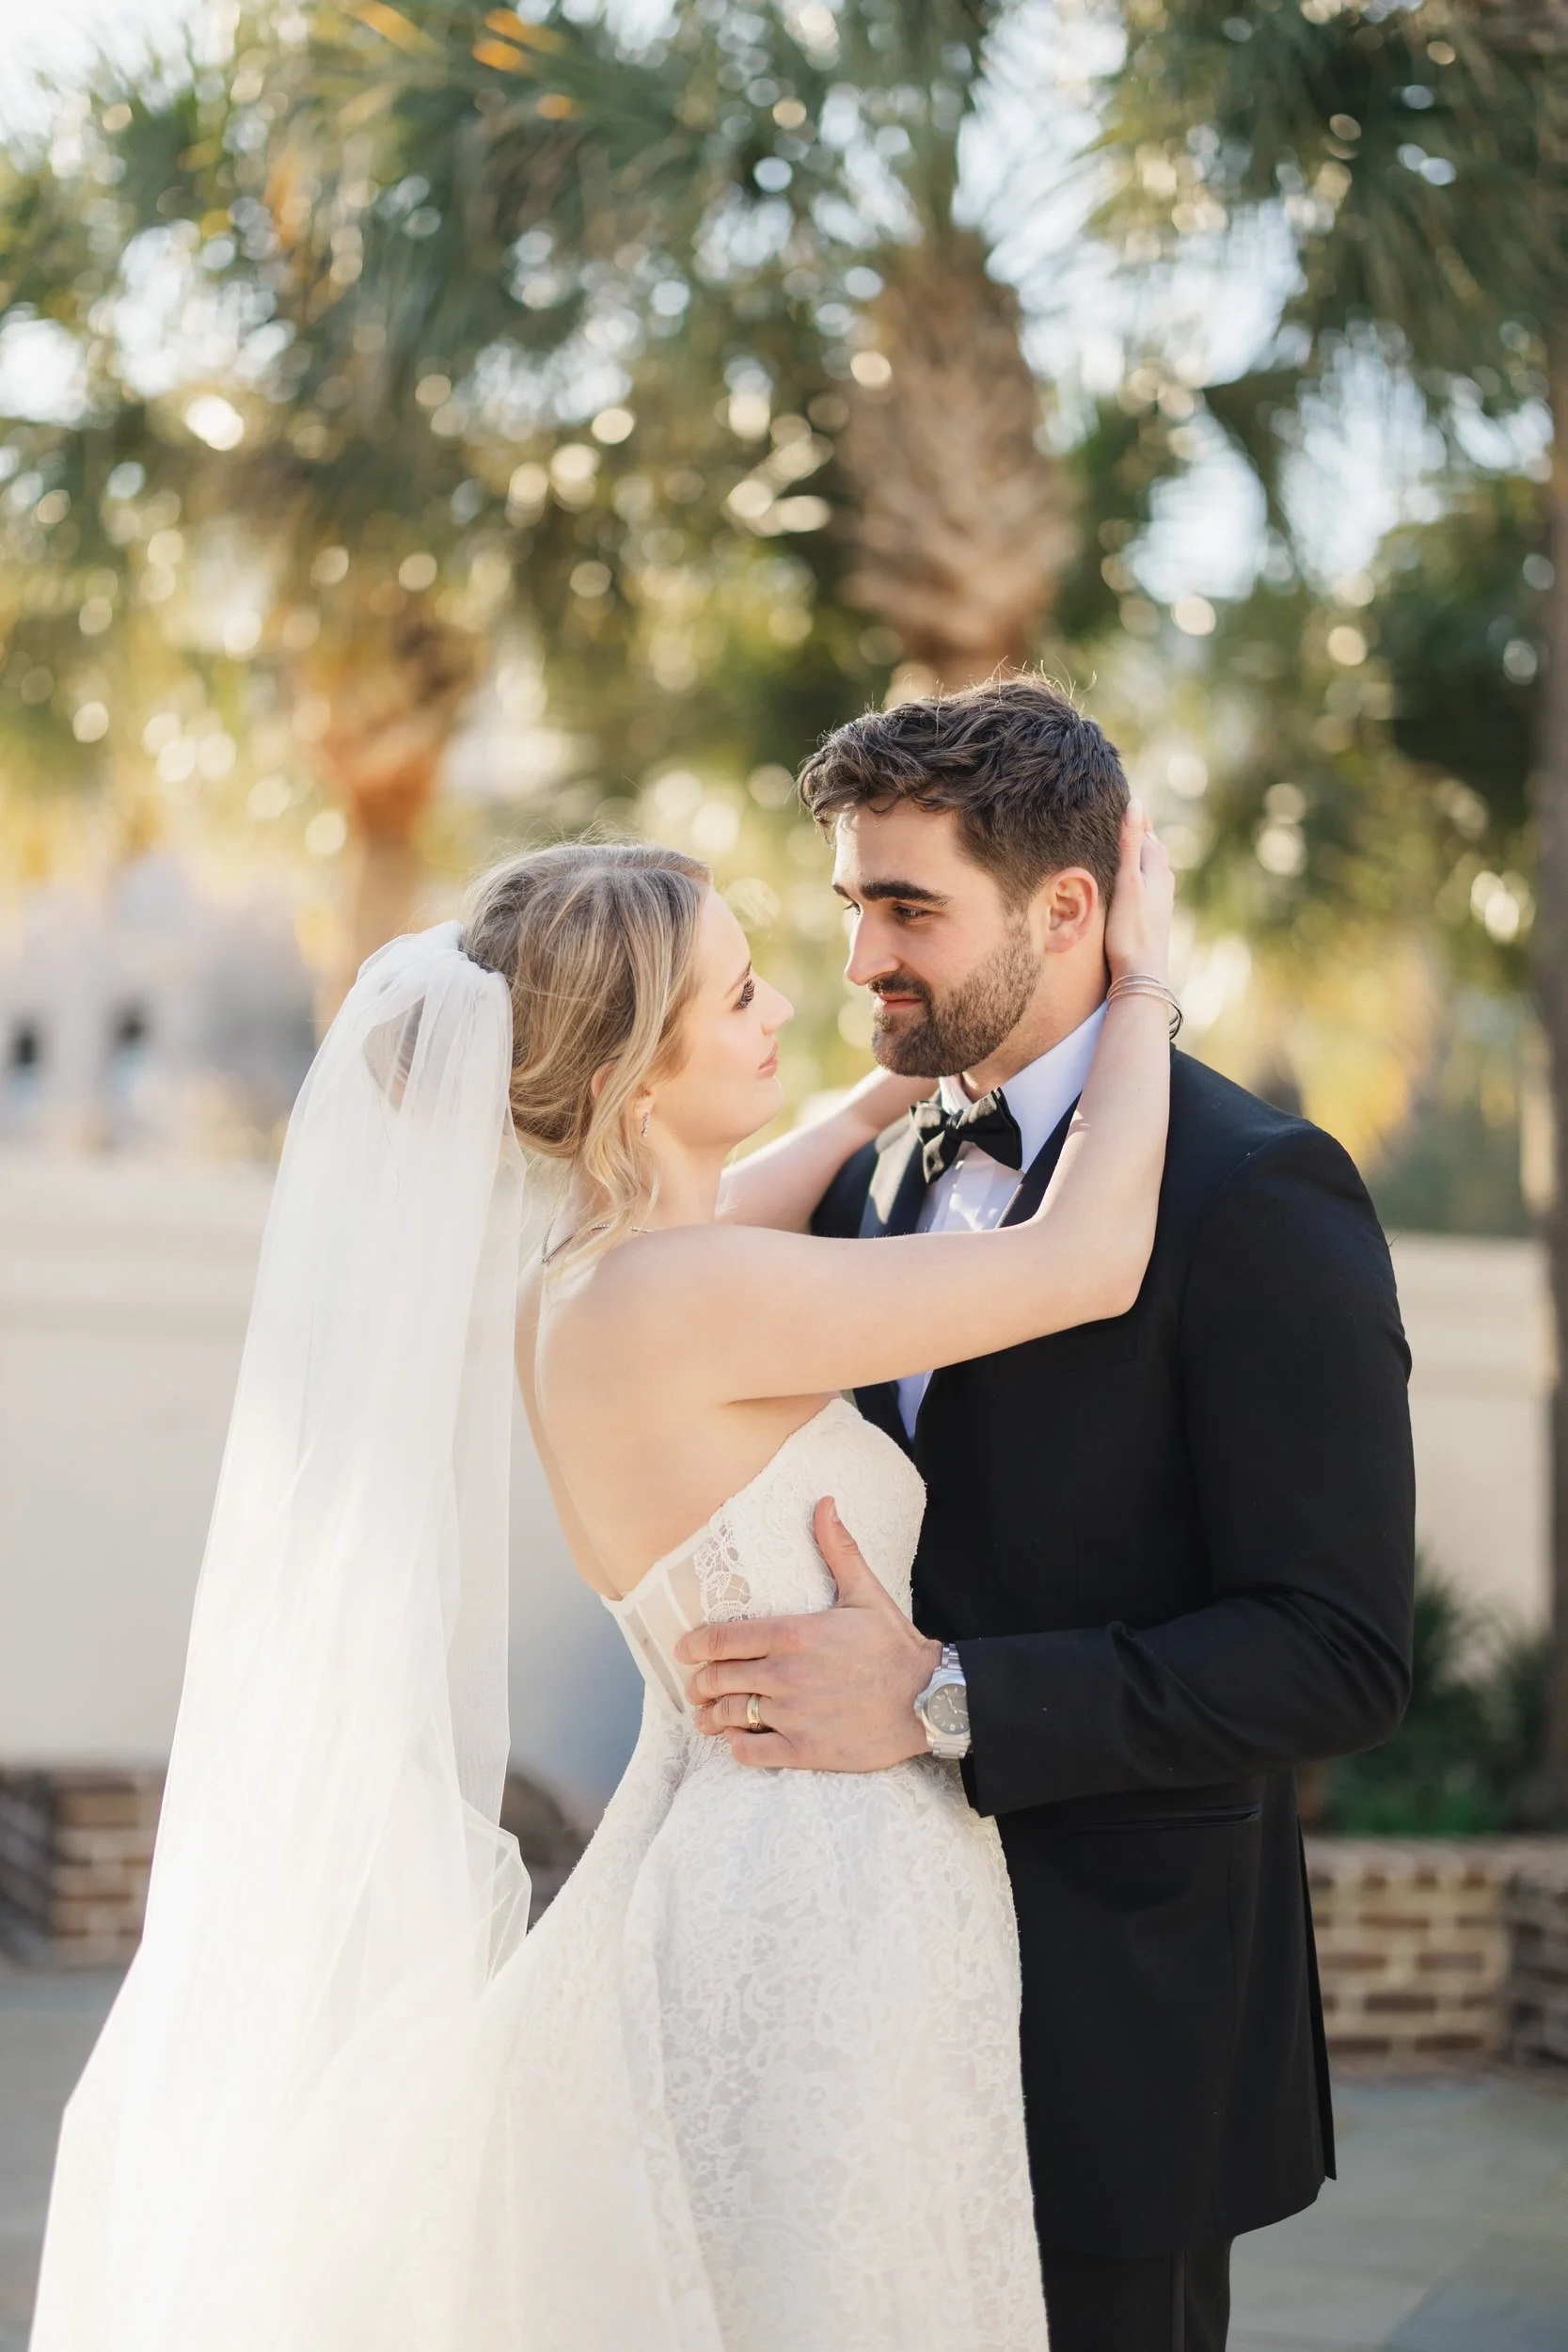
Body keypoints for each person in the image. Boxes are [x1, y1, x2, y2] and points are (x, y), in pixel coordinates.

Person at [30, 797, 1173, 2352]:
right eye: (739, 995)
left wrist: (864, 1108)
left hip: (752, 1848)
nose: (785, 1005)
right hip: (817, 1885)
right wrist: (1144, 988)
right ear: (638, 1074)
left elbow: (749, 1201)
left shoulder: (592, 1280)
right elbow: (1077, 1265)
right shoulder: (684, 1297)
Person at [674, 675, 1418, 2352]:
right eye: (855, 902)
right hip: (855, 2016)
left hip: (1110, 2034)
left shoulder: (1254, 1193)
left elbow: (1338, 1652)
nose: (862, 956)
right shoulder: (869, 1179)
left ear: (1069, 906)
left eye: (909, 906)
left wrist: (946, 1696)